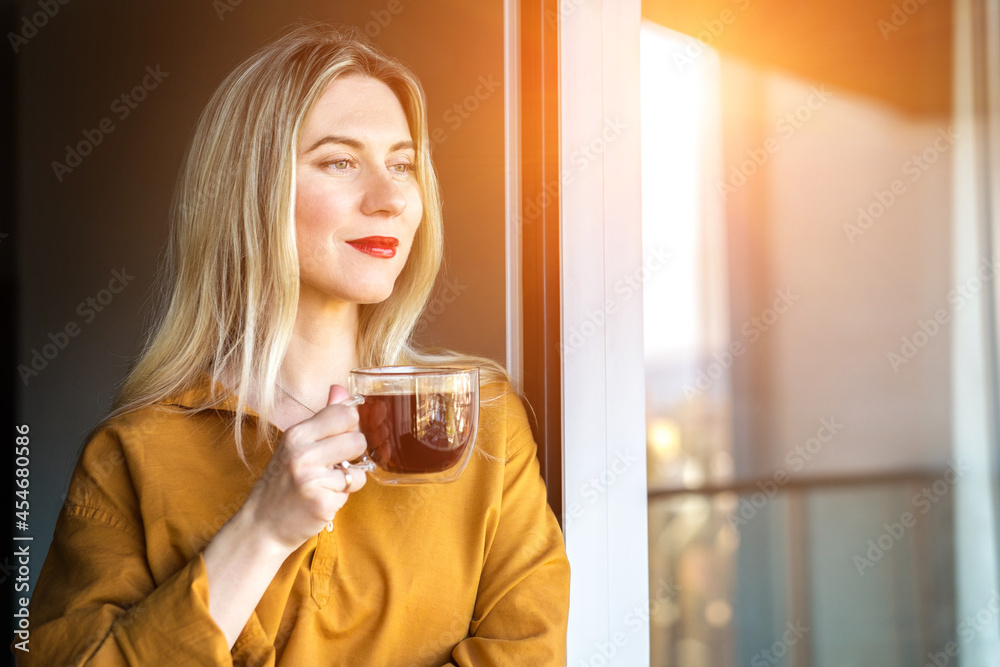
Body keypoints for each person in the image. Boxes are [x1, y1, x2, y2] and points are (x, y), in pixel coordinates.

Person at [16, 23, 570, 666]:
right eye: (339, 161)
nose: (390, 199)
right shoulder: (130, 454)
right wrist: (261, 530)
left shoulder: (482, 421)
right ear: (249, 190)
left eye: (403, 165)